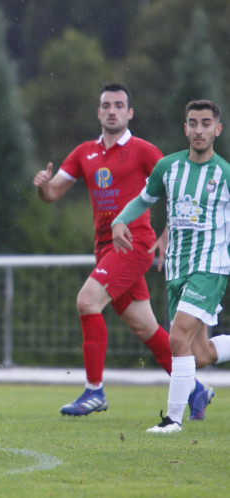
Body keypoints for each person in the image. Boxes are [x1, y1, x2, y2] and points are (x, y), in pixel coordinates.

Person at [32, 83, 213, 418]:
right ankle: (196, 390)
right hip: (104, 249)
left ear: (129, 113)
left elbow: (180, 189)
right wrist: (43, 186)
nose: (111, 110)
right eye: (106, 105)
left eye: (118, 105)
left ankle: (94, 391)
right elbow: (53, 193)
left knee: (87, 301)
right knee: (145, 327)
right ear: (99, 112)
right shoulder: (84, 152)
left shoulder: (143, 151)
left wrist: (167, 234)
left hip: (134, 243)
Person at [113, 99, 230, 433]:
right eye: (193, 123)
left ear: (217, 130)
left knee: (176, 337)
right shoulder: (168, 168)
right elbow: (144, 200)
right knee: (201, 353)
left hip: (210, 268)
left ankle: (172, 420)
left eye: (206, 123)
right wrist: (120, 221)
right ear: (185, 128)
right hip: (177, 269)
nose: (199, 129)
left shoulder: (225, 174)